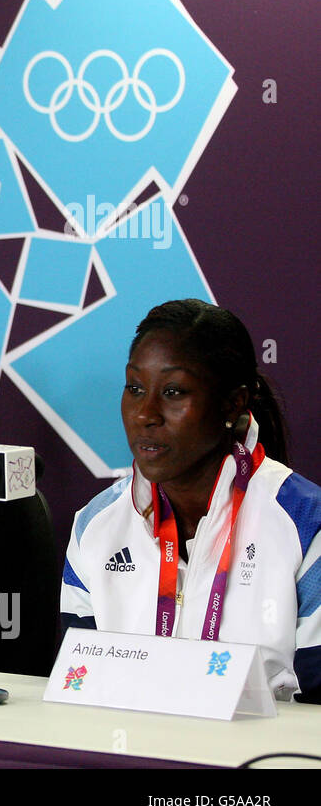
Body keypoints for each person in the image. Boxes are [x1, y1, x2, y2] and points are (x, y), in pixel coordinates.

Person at [61, 299, 321, 701]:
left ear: (232, 403)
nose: (146, 413)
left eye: (173, 392)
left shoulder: (306, 523)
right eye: (134, 388)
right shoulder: (93, 527)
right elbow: (78, 688)